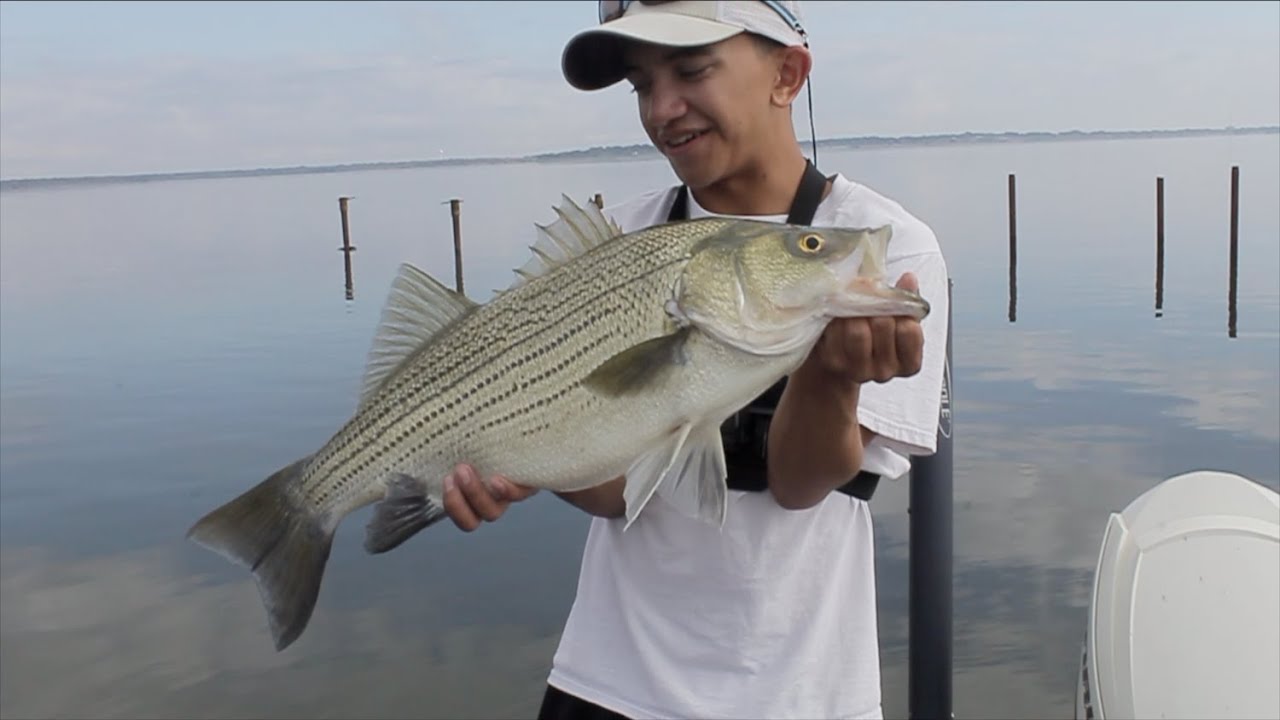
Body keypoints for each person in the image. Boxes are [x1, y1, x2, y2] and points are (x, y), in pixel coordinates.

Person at [441, 2, 950, 718]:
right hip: (606, 680)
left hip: (800, 693)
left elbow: (801, 486)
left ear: (788, 72)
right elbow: (614, 495)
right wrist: (534, 457)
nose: (663, 109)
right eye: (641, 84)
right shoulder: (622, 237)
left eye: (691, 69)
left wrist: (830, 380)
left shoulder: (883, 247)